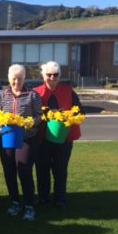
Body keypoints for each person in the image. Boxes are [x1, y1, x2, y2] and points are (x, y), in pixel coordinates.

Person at [34, 61, 83, 210]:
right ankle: (43, 197)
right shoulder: (35, 92)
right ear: (43, 76)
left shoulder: (68, 91)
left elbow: (80, 111)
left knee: (60, 169)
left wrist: (67, 116)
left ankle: (60, 199)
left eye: (55, 75)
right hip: (42, 139)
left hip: (63, 138)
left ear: (59, 76)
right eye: (49, 75)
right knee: (42, 169)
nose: (52, 78)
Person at [0, 64, 42, 221]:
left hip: (27, 138)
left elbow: (39, 116)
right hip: (7, 137)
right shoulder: (2, 95)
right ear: (9, 79)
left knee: (24, 170)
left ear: (24, 79)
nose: (17, 82)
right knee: (9, 171)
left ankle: (29, 206)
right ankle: (15, 202)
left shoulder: (33, 95)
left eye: (20, 79)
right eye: (14, 79)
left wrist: (31, 122)